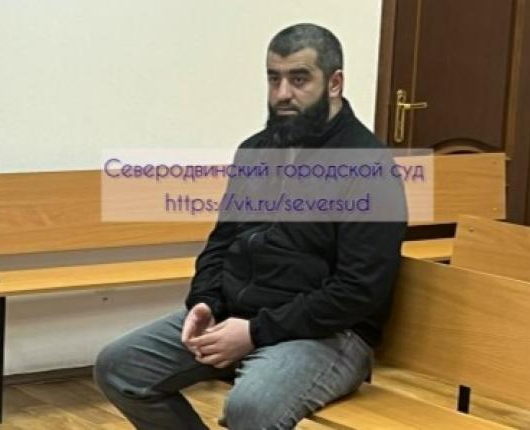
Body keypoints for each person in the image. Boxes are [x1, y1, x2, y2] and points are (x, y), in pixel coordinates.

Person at [93, 23, 407, 430]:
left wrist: (256, 332)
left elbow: (358, 290)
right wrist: (205, 301)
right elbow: (221, 242)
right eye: (274, 79)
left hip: (330, 334)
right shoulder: (256, 150)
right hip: (239, 317)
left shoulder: (368, 166)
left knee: (250, 408)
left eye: (299, 79)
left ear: (335, 83)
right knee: (119, 367)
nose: (282, 94)